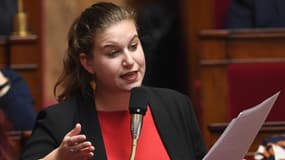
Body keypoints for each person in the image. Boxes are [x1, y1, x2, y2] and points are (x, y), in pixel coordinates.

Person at [20, 2, 206, 160]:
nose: (129, 61)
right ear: (88, 63)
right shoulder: (59, 121)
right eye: (113, 53)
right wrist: (58, 157)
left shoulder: (176, 106)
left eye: (133, 46)